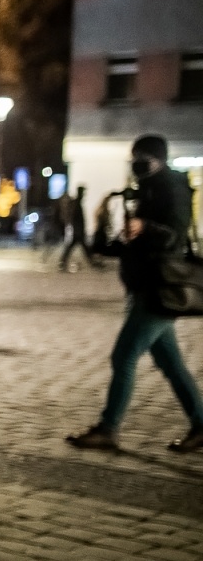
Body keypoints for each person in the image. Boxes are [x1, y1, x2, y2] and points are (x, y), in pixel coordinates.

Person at [67, 134, 203, 453]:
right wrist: (105, 235)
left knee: (124, 355)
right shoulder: (147, 188)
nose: (136, 164)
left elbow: (173, 238)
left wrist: (145, 227)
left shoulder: (172, 188)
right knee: (171, 363)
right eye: (133, 158)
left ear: (159, 160)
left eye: (143, 158)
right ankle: (200, 424)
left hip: (159, 288)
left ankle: (108, 428)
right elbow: (136, 243)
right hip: (144, 285)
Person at [58, 185, 97, 272]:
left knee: (77, 247)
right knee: (82, 247)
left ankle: (63, 261)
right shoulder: (76, 203)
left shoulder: (77, 202)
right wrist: (78, 229)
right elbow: (74, 217)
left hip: (78, 230)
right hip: (78, 231)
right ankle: (92, 262)